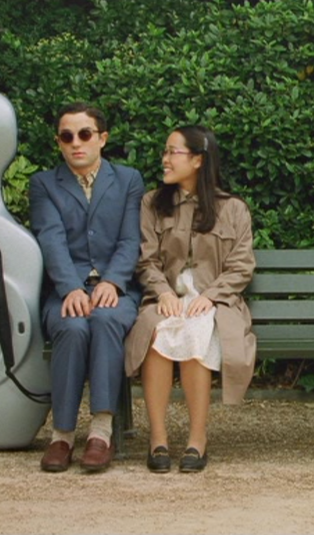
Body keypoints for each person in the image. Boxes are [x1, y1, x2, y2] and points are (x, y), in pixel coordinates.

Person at [123, 125, 256, 474]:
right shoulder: (152, 204)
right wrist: (163, 292)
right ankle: (158, 439)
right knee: (157, 333)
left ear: (198, 160)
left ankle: (197, 439)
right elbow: (146, 260)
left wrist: (211, 296)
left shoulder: (233, 209)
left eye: (173, 152)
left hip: (215, 302)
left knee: (198, 332)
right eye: (165, 152)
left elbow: (241, 266)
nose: (164, 159)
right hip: (166, 297)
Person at [29, 102, 144, 473]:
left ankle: (100, 433)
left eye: (84, 134)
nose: (76, 143)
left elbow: (130, 239)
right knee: (72, 326)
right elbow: (51, 239)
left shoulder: (128, 180)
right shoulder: (44, 184)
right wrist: (70, 288)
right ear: (59, 142)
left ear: (102, 138)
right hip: (67, 290)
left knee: (106, 320)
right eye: (67, 136)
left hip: (116, 288)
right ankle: (62, 435)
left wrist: (113, 280)